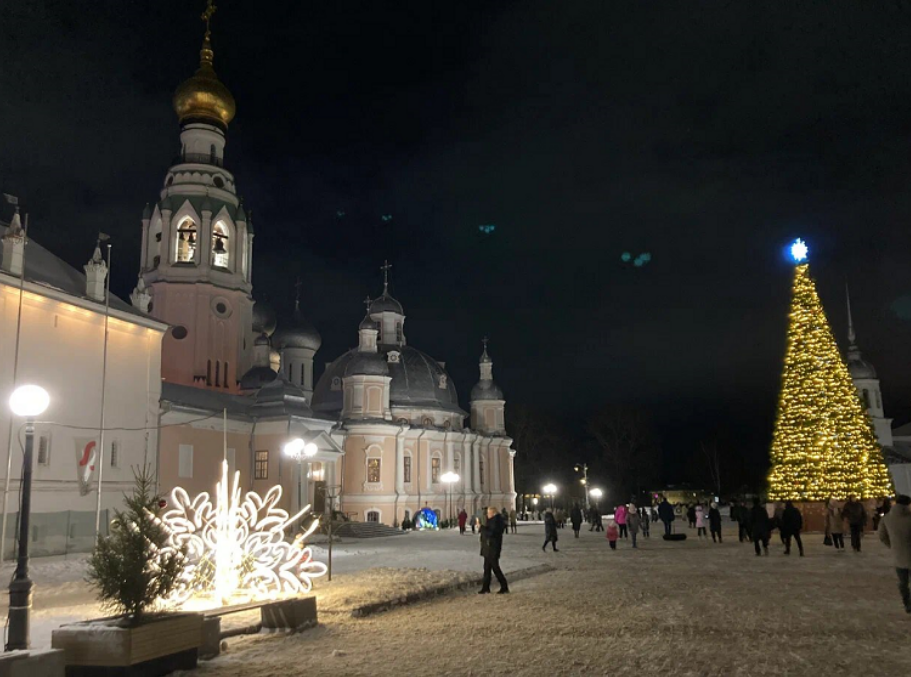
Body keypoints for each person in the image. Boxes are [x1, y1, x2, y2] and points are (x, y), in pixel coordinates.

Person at [878, 494, 911, 614]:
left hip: (899, 555)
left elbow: (882, 536)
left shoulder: (887, 518)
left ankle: (907, 604)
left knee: (903, 582)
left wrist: (893, 546)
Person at [478, 506, 509, 594]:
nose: (487, 514)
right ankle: (486, 587)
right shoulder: (493, 521)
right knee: (487, 568)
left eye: (489, 513)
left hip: (492, 548)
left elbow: (491, 533)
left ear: (493, 513)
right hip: (489, 548)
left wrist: (481, 527)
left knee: (495, 568)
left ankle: (504, 586)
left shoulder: (496, 521)